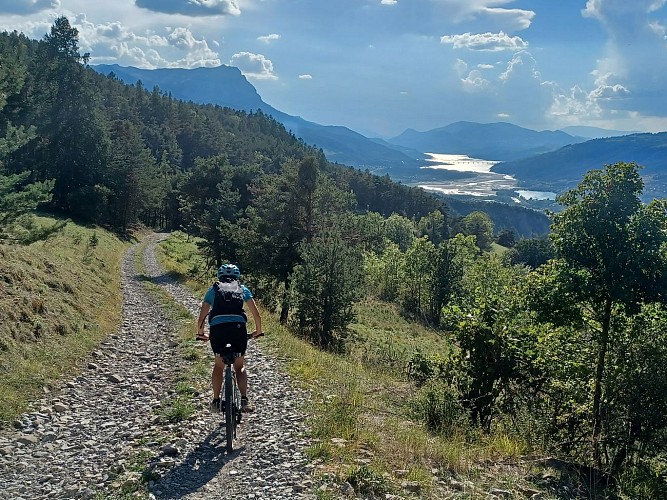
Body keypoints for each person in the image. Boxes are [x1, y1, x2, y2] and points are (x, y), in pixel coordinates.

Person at [196, 263, 262, 413]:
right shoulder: (242, 289)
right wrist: (258, 331)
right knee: (239, 366)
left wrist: (201, 334)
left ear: (220, 276)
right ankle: (244, 400)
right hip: (238, 329)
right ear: (237, 277)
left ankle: (216, 401)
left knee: (219, 366)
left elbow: (201, 317)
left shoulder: (213, 290)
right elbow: (256, 314)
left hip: (218, 330)